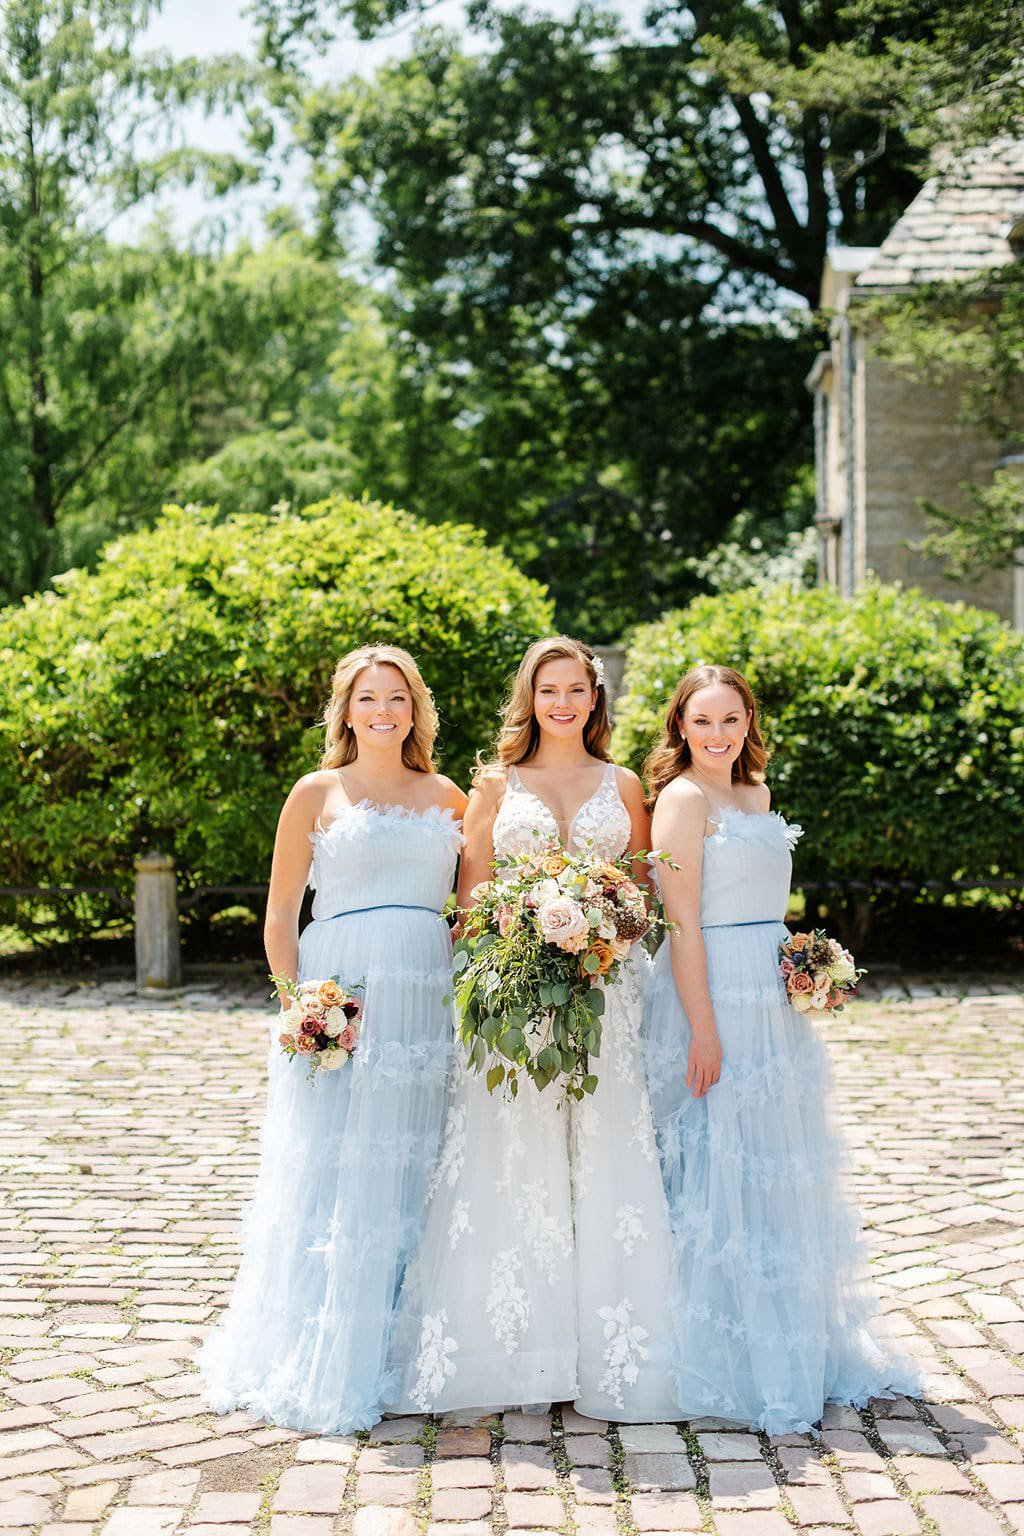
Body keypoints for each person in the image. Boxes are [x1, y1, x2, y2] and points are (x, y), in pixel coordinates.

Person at [387, 636, 679, 1421]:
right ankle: (516, 1354)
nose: (562, 703)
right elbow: (472, 898)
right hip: (512, 994)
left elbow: (644, 894)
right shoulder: (493, 784)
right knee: (514, 1156)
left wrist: (597, 931)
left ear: (595, 698)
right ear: (530, 697)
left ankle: (604, 1353)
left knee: (603, 1151)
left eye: (575, 690)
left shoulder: (623, 785)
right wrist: (504, 956)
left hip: (607, 996)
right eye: (547, 690)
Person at [642, 663, 919, 1433]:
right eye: (703, 722)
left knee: (770, 1161)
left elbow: (764, 904)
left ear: (748, 722)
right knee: (711, 1160)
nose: (718, 734)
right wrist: (702, 1026)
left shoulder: (757, 794)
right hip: (708, 989)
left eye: (731, 719)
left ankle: (787, 1337)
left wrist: (803, 965)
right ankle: (717, 1352)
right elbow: (684, 921)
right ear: (681, 728)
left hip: (767, 994)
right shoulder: (682, 800)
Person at [197, 644, 466, 1434]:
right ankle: (322, 1339)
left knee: (416, 1154)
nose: (383, 712)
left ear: (416, 709)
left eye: (397, 699)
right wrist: (299, 1005)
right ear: (345, 711)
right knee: (335, 1161)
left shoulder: (449, 795)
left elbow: (465, 910)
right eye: (367, 699)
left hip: (425, 992)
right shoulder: (317, 792)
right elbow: (282, 913)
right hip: (340, 990)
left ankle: (402, 1340)